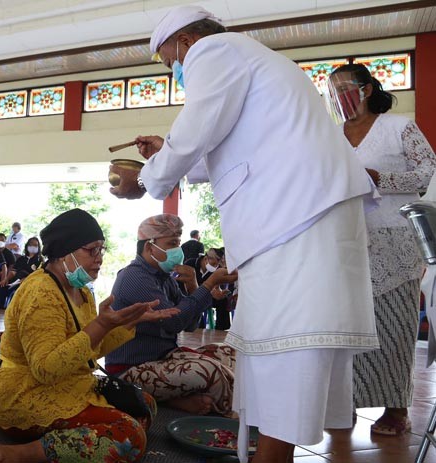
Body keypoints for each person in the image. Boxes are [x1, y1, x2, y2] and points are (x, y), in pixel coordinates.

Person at [109, 6, 379, 462]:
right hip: (302, 213)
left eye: (166, 58)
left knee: (284, 341)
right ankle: (271, 453)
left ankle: (271, 456)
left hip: (295, 217)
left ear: (187, 42)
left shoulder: (214, 50)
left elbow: (200, 126)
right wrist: (167, 156)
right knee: (279, 343)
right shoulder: (253, 60)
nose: (173, 69)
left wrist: (150, 178)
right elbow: (224, 141)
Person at [0, 209, 180, 462]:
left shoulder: (81, 290)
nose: (99, 258)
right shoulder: (40, 293)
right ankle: (16, 454)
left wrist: (127, 321)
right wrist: (100, 324)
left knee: (144, 404)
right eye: (92, 250)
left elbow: (88, 350)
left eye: (101, 250)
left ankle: (76, 442)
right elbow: (45, 369)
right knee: (127, 437)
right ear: (64, 253)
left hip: (70, 383)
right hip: (27, 393)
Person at [329, 64, 436, 435]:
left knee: (394, 324)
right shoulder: (330, 134)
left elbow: (427, 172)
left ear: (367, 89)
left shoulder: (398, 126)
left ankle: (396, 409)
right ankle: (346, 404)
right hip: (343, 240)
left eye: (346, 87)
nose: (340, 95)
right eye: (333, 90)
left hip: (394, 240)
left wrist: (381, 179)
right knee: (346, 327)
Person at [105, 215, 237, 416]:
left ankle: (173, 400)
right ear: (150, 247)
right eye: (172, 243)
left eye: (178, 242)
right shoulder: (135, 276)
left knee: (231, 354)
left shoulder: (164, 277)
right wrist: (208, 285)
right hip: (130, 368)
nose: (178, 250)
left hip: (163, 358)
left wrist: (194, 285)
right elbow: (175, 322)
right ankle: (231, 424)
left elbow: (190, 324)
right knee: (211, 372)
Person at [187, 248, 233, 330]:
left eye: (220, 261)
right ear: (206, 258)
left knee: (223, 300)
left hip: (207, 295)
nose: (218, 264)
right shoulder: (191, 263)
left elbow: (217, 286)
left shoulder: (217, 269)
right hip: (190, 295)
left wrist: (218, 292)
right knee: (196, 302)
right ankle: (198, 328)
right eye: (217, 260)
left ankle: (222, 329)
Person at [0, 233, 18, 310]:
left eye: (2, 240)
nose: (0, 241)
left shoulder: (9, 254)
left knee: (1, 286)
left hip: (5, 277)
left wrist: (3, 275)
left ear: (5, 241)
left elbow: (12, 267)